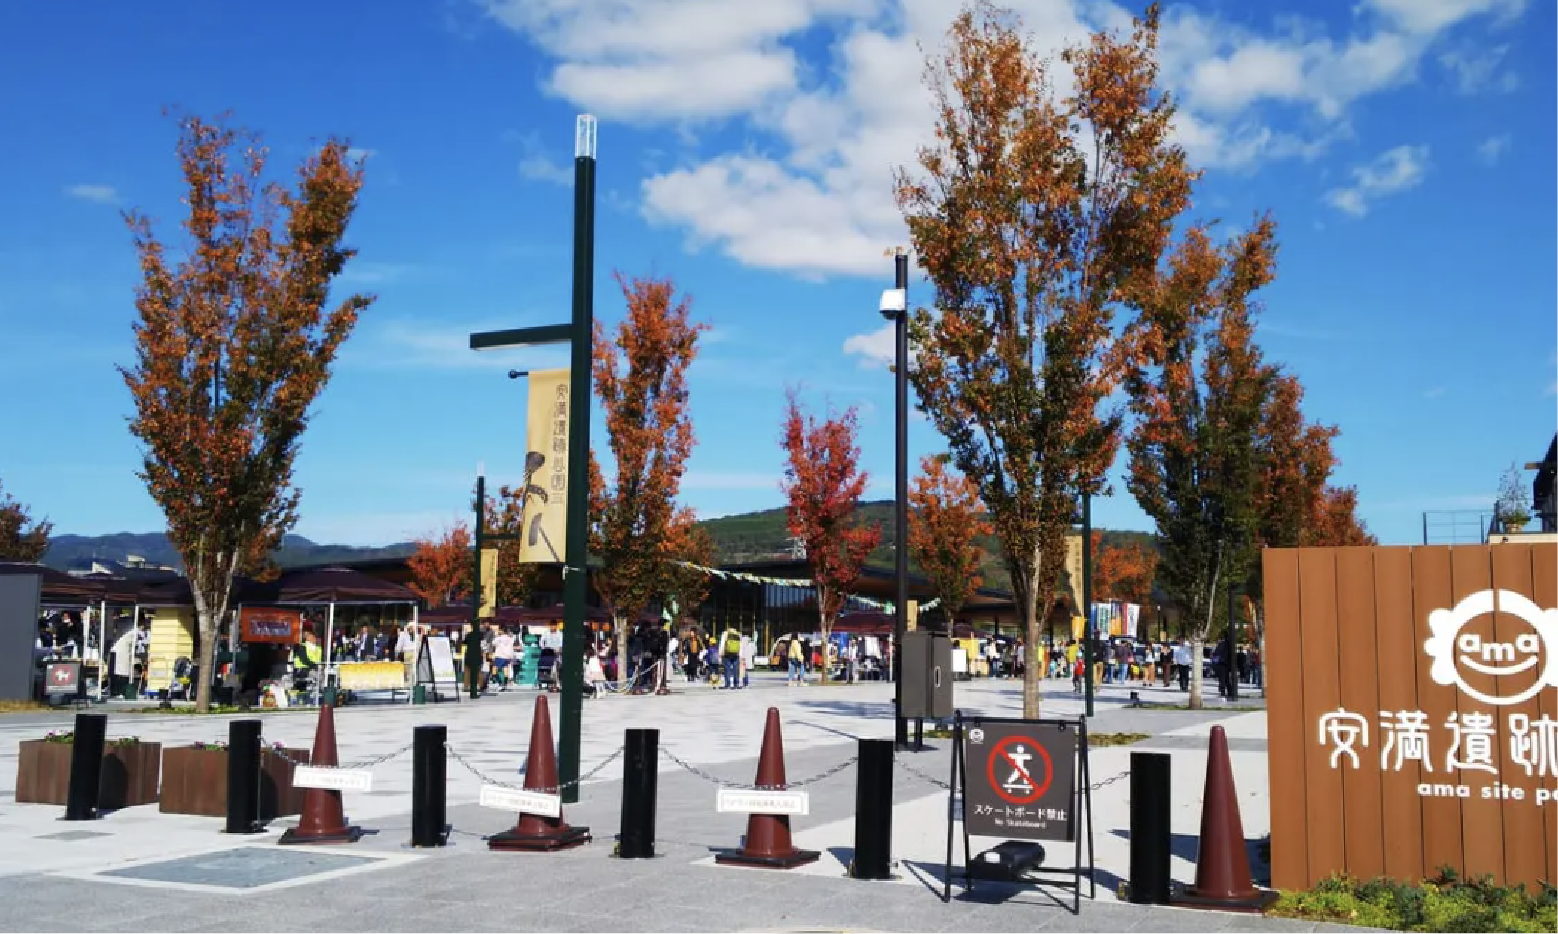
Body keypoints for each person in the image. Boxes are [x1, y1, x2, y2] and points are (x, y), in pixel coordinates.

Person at [462, 625, 484, 700]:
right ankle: (481, 685)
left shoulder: (469, 634)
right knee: (478, 671)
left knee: (467, 671)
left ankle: (466, 686)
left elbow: (464, 642)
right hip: (477, 655)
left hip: (469, 654)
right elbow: (483, 644)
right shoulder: (481, 635)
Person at [492, 626, 516, 691]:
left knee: (494, 671)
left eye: (499, 630)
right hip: (508, 657)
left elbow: (493, 643)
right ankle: (505, 685)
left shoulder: (498, 638)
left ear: (502, 631)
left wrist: (497, 635)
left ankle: (500, 684)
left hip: (500, 656)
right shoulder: (511, 638)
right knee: (505, 671)